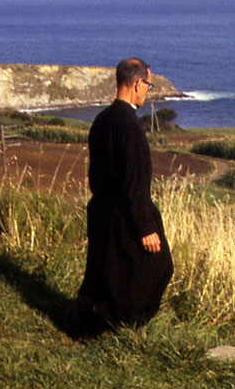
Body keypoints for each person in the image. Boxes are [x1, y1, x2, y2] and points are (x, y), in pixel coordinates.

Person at [77, 57, 174, 333]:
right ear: (136, 84)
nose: (148, 90)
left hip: (102, 209)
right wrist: (145, 227)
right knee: (159, 266)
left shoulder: (102, 120)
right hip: (125, 213)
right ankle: (123, 326)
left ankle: (95, 322)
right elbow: (134, 180)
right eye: (148, 84)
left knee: (109, 271)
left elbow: (96, 172)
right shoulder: (130, 127)